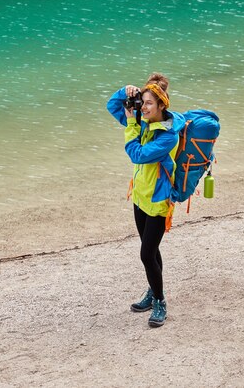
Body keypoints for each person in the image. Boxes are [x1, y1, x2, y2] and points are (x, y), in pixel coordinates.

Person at [106, 73, 186, 327]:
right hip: (139, 197)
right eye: (142, 102)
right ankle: (154, 289)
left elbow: (138, 155)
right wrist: (124, 92)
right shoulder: (143, 121)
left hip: (159, 201)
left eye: (149, 103)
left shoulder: (168, 136)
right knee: (151, 250)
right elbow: (111, 106)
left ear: (162, 105)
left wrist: (131, 124)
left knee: (146, 253)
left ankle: (160, 301)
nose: (143, 107)